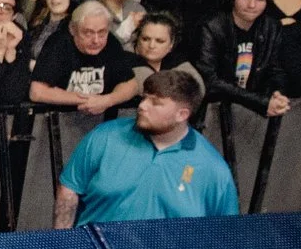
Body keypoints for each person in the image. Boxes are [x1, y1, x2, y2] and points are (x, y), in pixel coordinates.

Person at [52, 66, 238, 227]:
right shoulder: (105, 136)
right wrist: (61, 245)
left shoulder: (213, 169)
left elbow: (225, 232)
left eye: (155, 103)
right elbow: (69, 189)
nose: (142, 106)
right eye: (144, 98)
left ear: (182, 114)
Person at [29, 3, 145, 116]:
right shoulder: (58, 44)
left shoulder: (111, 43)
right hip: (61, 120)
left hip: (103, 121)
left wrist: (107, 100)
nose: (96, 40)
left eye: (102, 33)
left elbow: (131, 85)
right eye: (88, 33)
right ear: (73, 29)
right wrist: (88, 101)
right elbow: (37, 92)